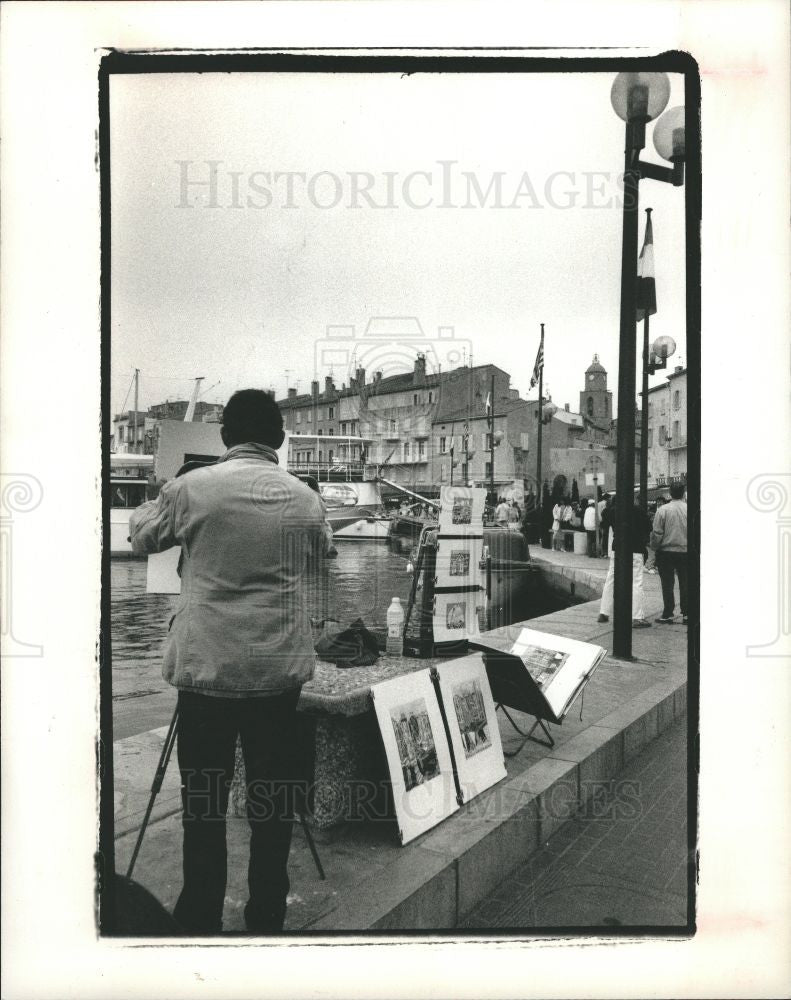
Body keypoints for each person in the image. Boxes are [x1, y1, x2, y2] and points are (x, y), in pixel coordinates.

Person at [130, 389, 332, 936]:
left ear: (224, 437)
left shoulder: (191, 488)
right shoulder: (305, 497)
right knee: (273, 798)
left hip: (207, 671)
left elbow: (141, 537)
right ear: (280, 438)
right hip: (277, 672)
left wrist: (158, 493)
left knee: (204, 800)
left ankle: (199, 913)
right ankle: (267, 910)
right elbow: (323, 551)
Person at [598, 499, 653, 628]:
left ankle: (604, 613)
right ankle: (637, 617)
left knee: (611, 579)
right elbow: (648, 528)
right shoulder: (639, 511)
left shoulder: (612, 511)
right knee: (636, 582)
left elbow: (603, 524)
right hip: (636, 548)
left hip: (617, 549)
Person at [650, 482, 688, 624]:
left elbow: (657, 533)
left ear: (670, 494)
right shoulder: (689, 509)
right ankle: (687, 613)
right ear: (683, 493)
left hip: (666, 552)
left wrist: (654, 548)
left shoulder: (662, 510)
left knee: (667, 584)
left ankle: (668, 613)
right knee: (686, 583)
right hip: (685, 551)